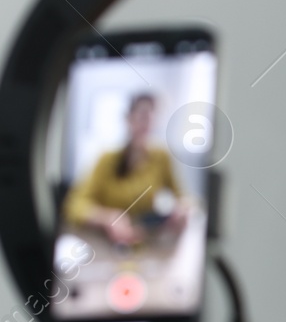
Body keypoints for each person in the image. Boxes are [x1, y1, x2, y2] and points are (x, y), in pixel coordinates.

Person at [62, 92, 191, 246]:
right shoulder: (107, 159)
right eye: (142, 115)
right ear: (128, 119)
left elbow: (182, 197)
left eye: (152, 116)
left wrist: (180, 210)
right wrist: (106, 218)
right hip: (108, 247)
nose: (147, 122)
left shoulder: (161, 157)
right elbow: (75, 205)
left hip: (150, 245)